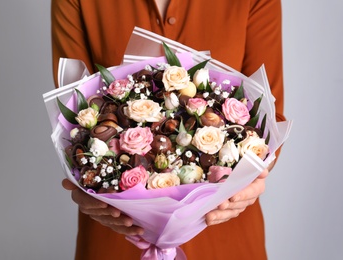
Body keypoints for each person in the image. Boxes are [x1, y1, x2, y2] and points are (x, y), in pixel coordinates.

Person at [51, 0, 285, 259]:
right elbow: (72, 117)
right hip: (118, 231)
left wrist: (251, 181)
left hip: (224, 231)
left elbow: (269, 121)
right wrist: (83, 186)